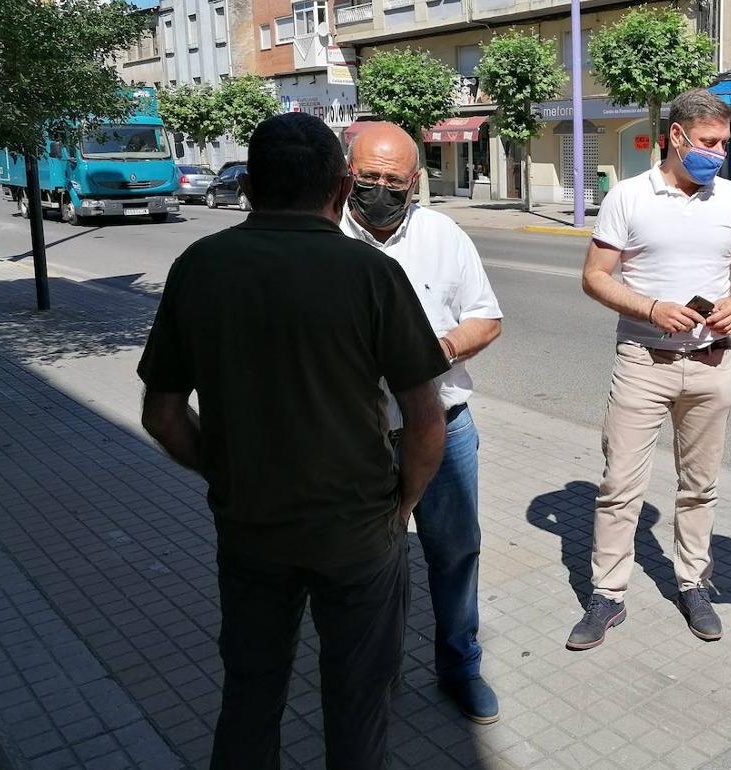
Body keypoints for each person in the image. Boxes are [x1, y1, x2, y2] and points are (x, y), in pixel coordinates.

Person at [138, 112, 448, 769]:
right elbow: (427, 419)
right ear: (340, 189)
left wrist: (225, 473)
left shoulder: (200, 266)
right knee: (359, 704)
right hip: (359, 532)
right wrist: (402, 507)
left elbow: (163, 414)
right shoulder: (370, 274)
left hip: (251, 529)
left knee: (250, 695)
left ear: (248, 187)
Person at [568, 89, 731, 650]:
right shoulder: (628, 197)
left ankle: (693, 582)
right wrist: (650, 308)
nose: (719, 153)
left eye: (724, 143)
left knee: (700, 487)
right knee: (619, 487)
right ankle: (607, 595)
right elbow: (595, 276)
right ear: (677, 136)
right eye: (709, 142)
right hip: (643, 363)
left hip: (710, 363)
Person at [340, 122, 504, 724]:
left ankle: (459, 665)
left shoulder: (443, 234)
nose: (379, 190)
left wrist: (437, 350)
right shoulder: (327, 233)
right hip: (352, 435)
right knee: (365, 561)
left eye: (392, 180)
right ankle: (374, 673)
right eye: (367, 179)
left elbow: (486, 318)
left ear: (415, 181)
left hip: (443, 427)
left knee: (456, 551)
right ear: (347, 175)